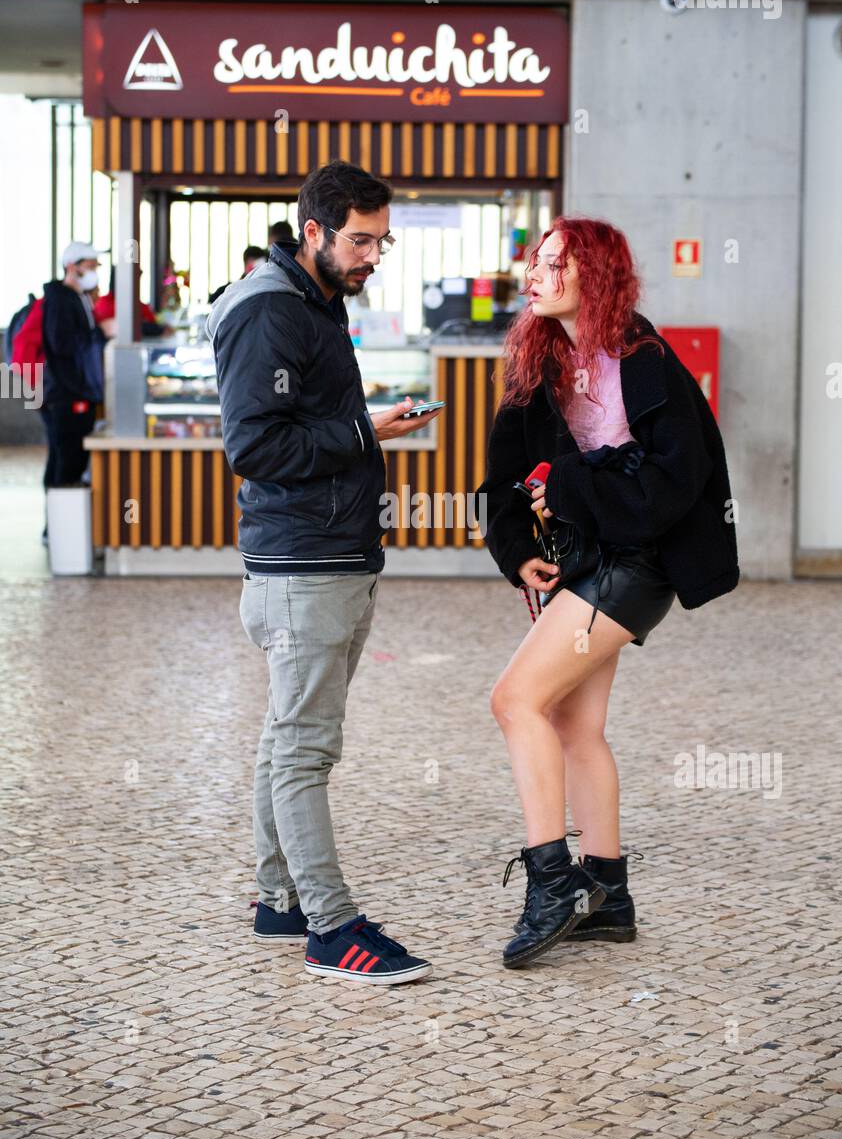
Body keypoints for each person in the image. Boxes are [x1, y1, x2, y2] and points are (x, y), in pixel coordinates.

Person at [477, 216, 739, 970]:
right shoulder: (537, 356)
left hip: (642, 563)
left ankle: (553, 885)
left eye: (557, 262)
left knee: (514, 700)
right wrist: (519, 548)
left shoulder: (644, 356)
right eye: (536, 260)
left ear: (595, 273)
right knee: (571, 724)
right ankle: (609, 896)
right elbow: (502, 476)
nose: (538, 273)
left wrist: (567, 487)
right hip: (592, 559)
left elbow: (673, 484)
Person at [207, 161, 444, 986]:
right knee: (306, 749)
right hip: (303, 566)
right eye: (360, 239)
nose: (374, 254)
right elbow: (255, 447)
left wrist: (358, 427)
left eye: (382, 239)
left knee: (285, 738)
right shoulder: (271, 309)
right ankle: (330, 927)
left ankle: (277, 897)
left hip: (329, 556)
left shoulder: (314, 298)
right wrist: (366, 431)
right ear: (313, 231)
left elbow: (303, 420)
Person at [40, 242, 109, 492]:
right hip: (67, 394)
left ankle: (60, 525)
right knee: (66, 461)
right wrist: (101, 333)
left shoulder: (78, 298)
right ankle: (61, 525)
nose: (93, 272)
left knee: (67, 459)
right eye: (89, 266)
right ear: (71, 267)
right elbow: (63, 344)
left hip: (79, 392)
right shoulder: (60, 300)